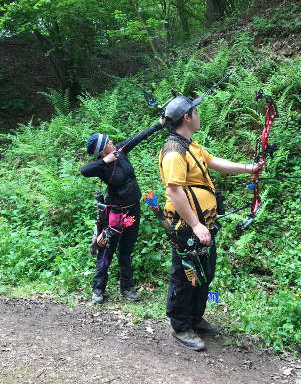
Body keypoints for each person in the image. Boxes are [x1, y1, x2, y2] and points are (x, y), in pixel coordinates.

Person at [159, 96, 263, 351]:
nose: (199, 114)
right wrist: (195, 224)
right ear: (186, 117)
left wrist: (249, 168)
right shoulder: (173, 151)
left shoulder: (191, 146)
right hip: (186, 227)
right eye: (196, 111)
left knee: (205, 272)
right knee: (186, 275)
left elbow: (215, 163)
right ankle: (181, 326)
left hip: (205, 223)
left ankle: (195, 318)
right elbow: (174, 192)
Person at [81, 117, 165, 303]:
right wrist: (105, 161)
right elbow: (84, 170)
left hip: (133, 211)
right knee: (107, 251)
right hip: (116, 215)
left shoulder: (119, 150)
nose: (113, 142)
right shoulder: (101, 167)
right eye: (108, 142)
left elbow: (137, 138)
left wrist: (159, 125)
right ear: (103, 150)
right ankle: (98, 288)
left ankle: (127, 287)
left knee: (126, 249)